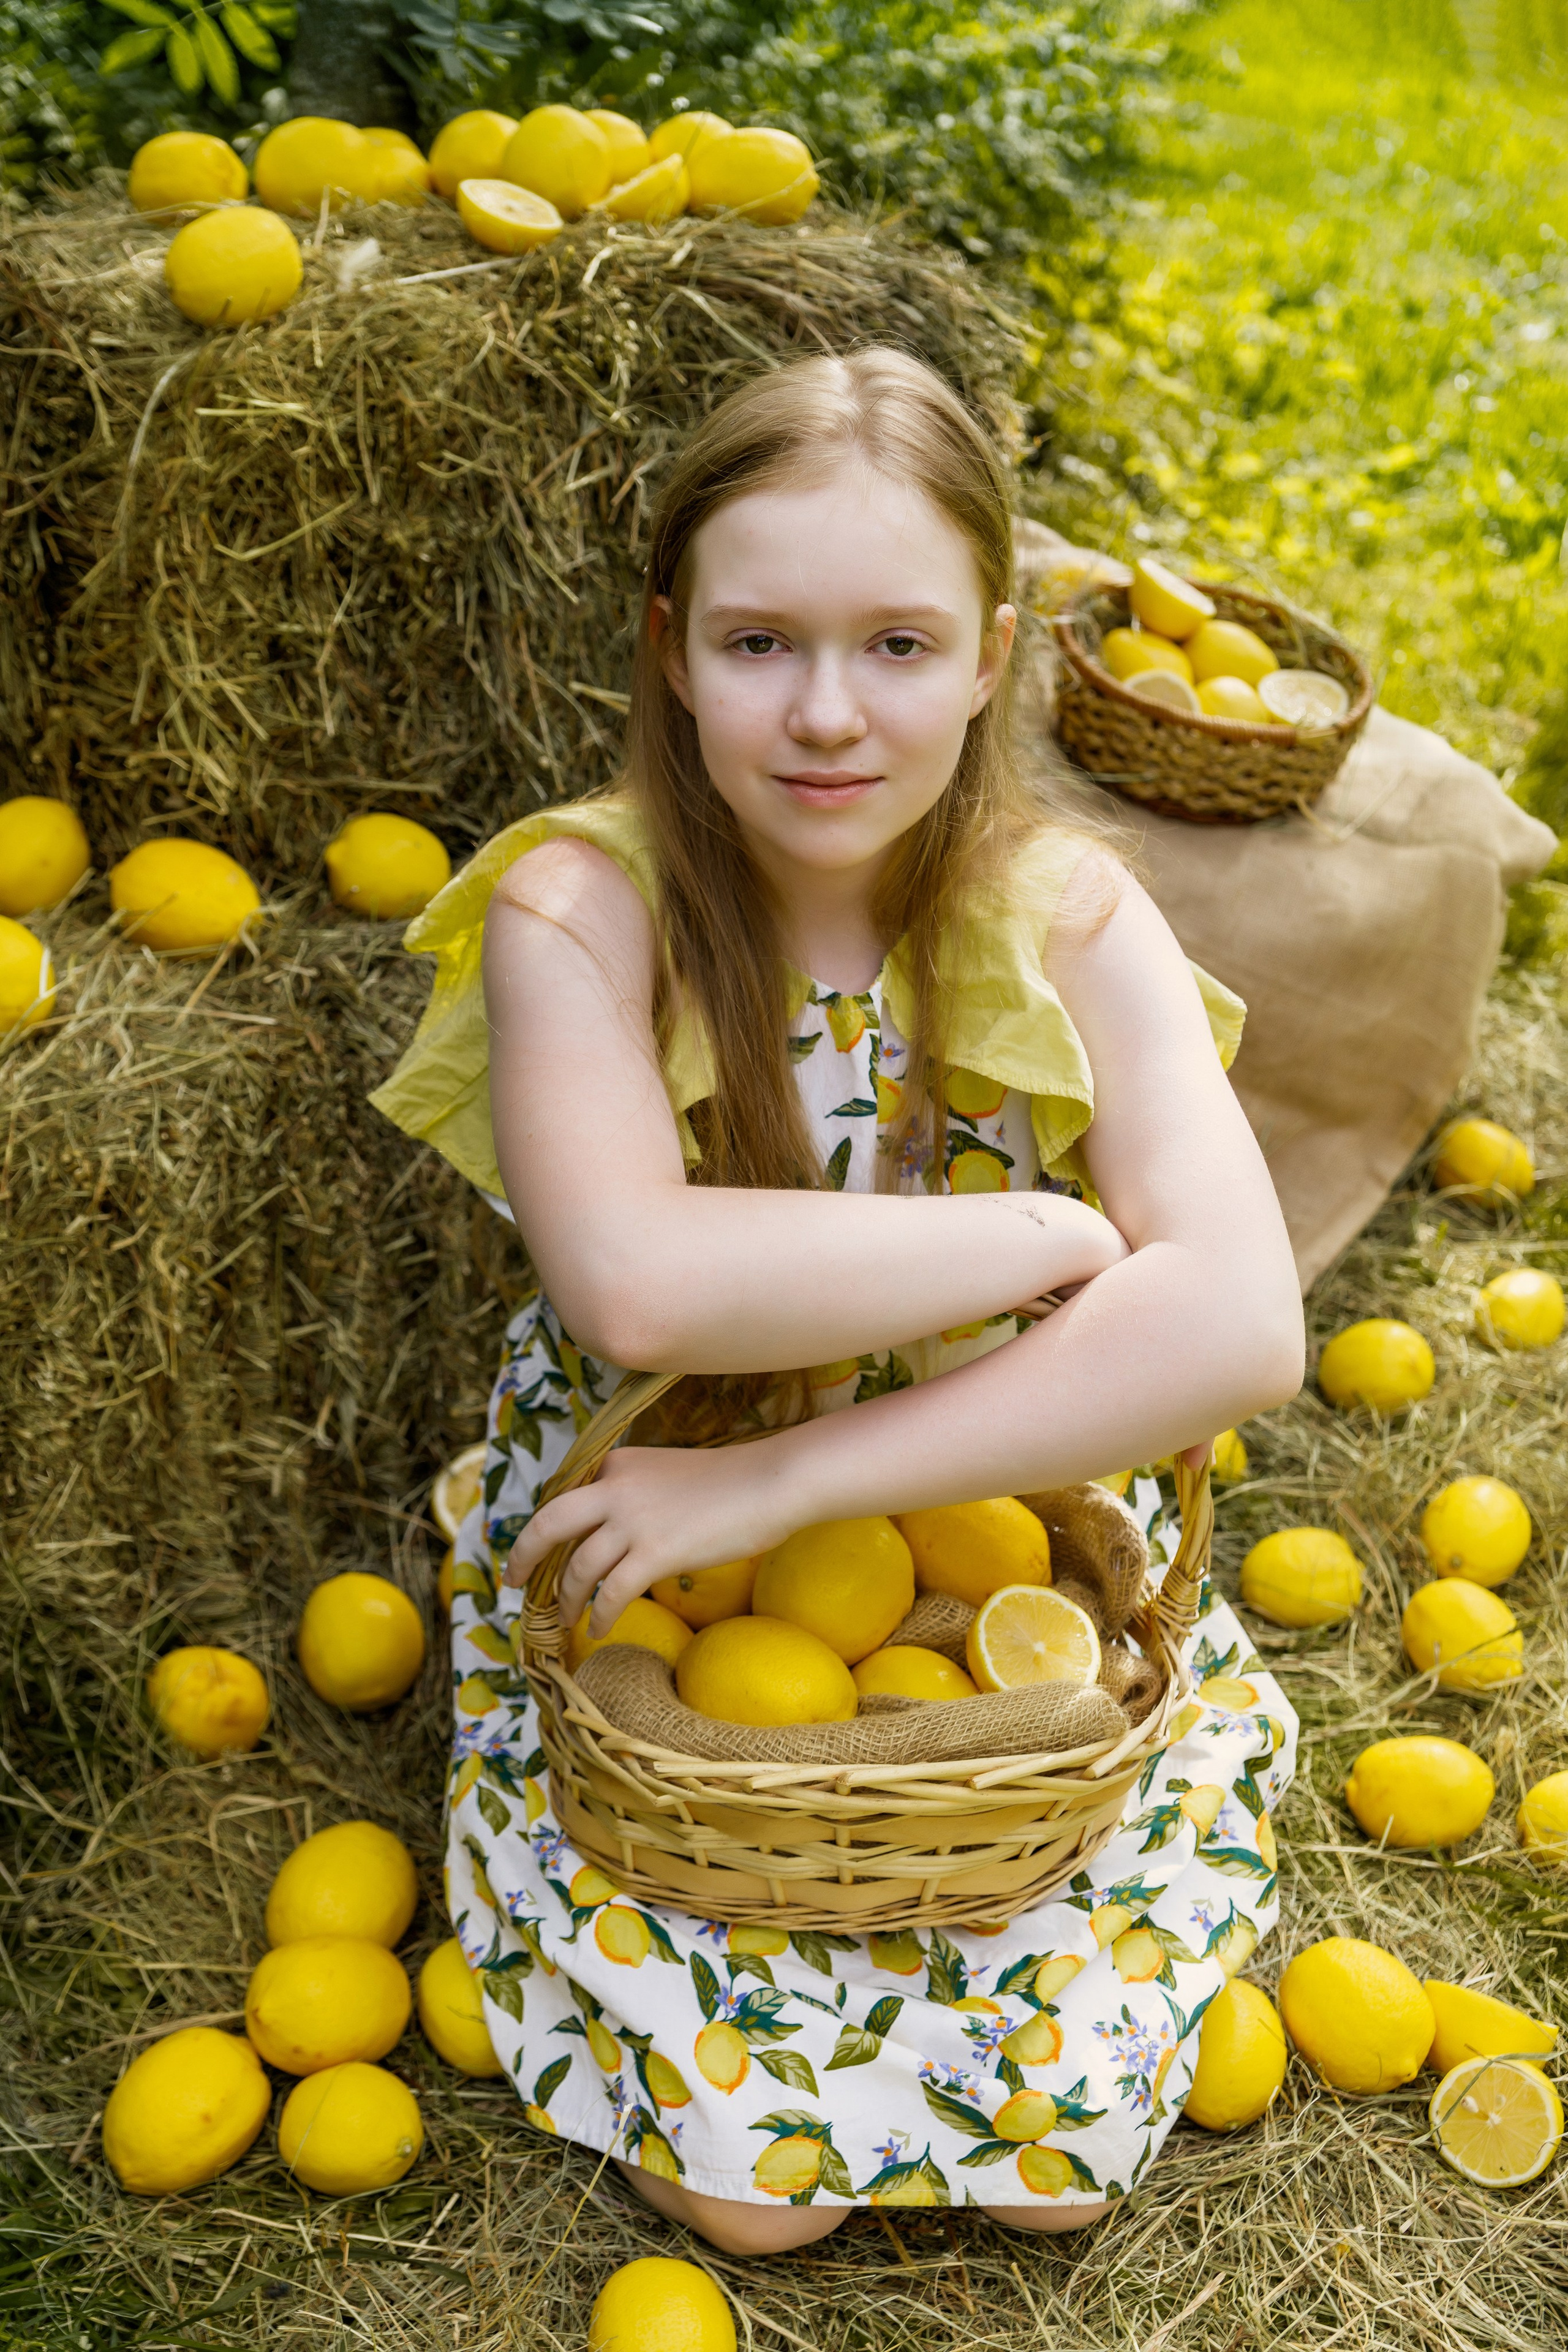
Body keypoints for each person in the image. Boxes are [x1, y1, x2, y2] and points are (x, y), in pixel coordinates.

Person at [372, 347, 1305, 2254]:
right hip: (654, 1531)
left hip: (982, 1506)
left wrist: (788, 1482)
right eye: (757, 644)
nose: (823, 712)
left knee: (1057, 2170)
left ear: (990, 657)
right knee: (759, 2207)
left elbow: (1246, 1331)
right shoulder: (582, 910)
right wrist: (1041, 1238)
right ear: (669, 648)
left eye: (897, 645)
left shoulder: (1067, 916)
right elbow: (637, 1288)